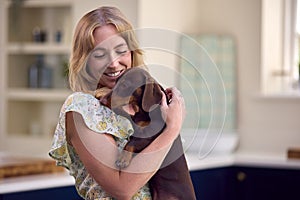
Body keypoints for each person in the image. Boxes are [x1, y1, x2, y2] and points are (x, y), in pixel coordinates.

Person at [49, 6, 186, 200]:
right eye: (99, 54)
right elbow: (122, 189)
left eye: (120, 50)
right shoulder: (81, 108)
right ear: (84, 59)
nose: (113, 63)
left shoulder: (141, 100)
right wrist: (171, 129)